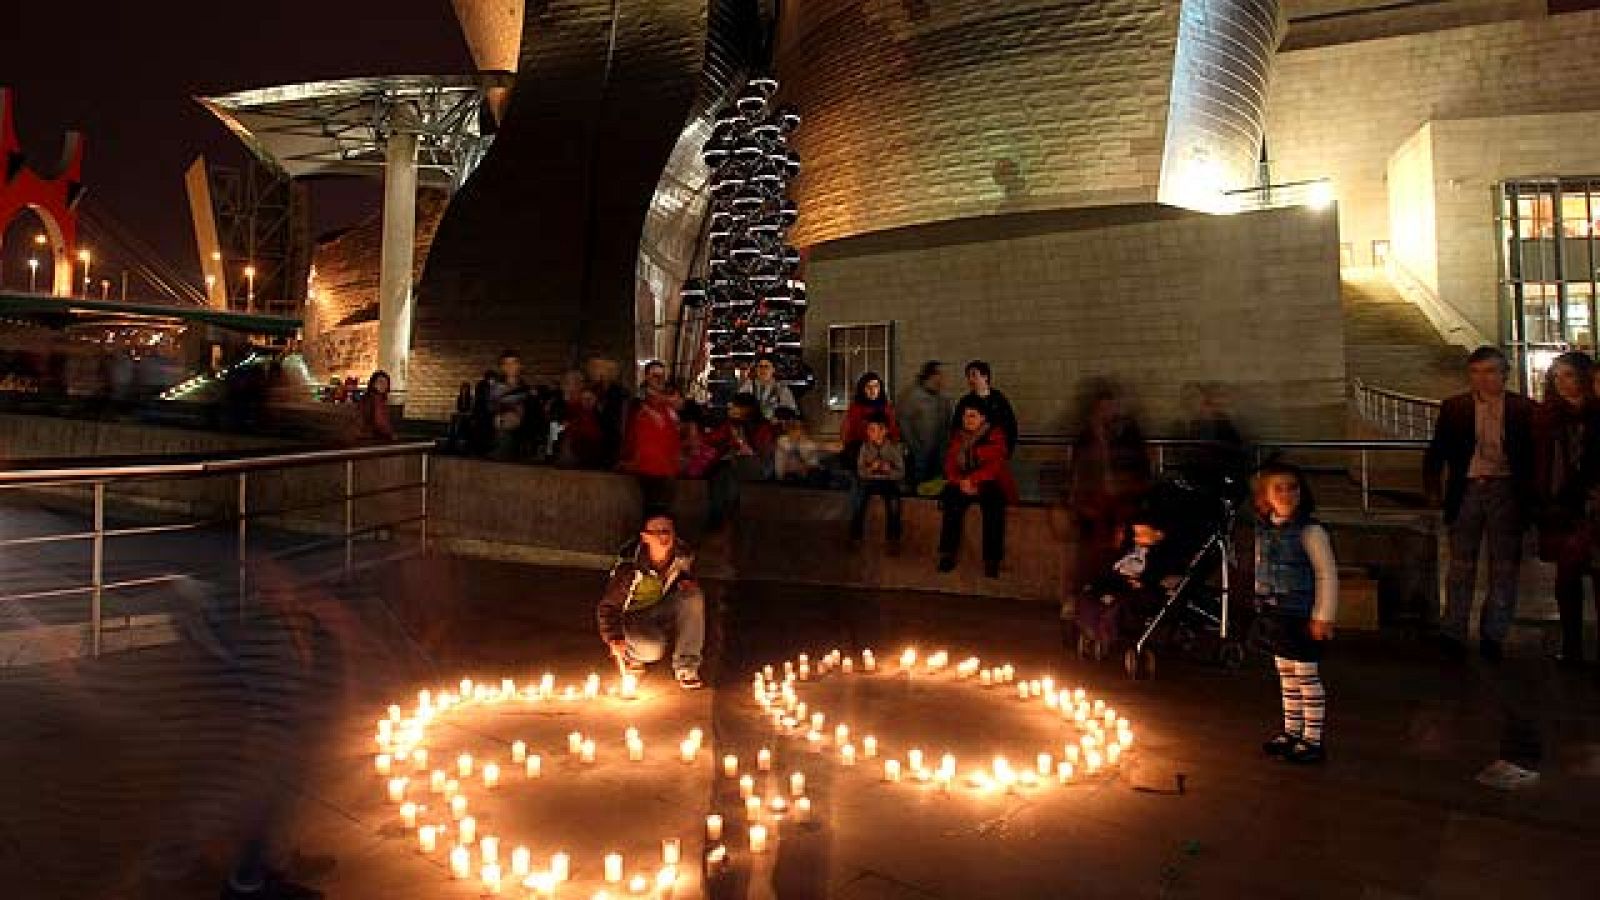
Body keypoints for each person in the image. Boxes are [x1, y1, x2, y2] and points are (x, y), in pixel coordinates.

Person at [1425, 346, 1536, 662]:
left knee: (1504, 566)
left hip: (1507, 490)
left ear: (1504, 374)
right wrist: (1433, 489)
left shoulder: (1523, 409)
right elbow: (1438, 451)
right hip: (1468, 489)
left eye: (1489, 372)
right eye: (1475, 372)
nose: (1482, 379)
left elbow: (1533, 456)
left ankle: (1493, 633)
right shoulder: (1455, 407)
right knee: (1460, 565)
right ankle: (1454, 630)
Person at [1254, 462, 1339, 765]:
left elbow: (1326, 573)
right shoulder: (1265, 530)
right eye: (1279, 488)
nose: (1288, 494)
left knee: (1307, 676)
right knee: (1287, 676)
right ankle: (1292, 731)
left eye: (1293, 487)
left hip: (1301, 616)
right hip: (1276, 615)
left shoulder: (1310, 531)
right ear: (1265, 495)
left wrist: (1323, 615)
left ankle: (1312, 739)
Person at [1533, 351, 1600, 667]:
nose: (1561, 383)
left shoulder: (1596, 415)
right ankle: (1572, 645)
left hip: (1593, 504)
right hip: (1562, 506)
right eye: (1556, 376)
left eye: (1568, 375)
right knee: (1566, 577)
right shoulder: (1547, 417)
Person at [597, 512, 706, 689]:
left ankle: (687, 667)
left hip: (658, 608)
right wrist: (613, 637)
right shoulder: (630, 565)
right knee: (652, 650)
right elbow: (608, 606)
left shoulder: (682, 555)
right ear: (645, 537)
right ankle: (632, 656)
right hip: (631, 617)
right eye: (657, 532)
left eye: (667, 531)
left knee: (693, 597)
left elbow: (684, 573)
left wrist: (686, 581)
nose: (663, 537)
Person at [1067, 380, 1151, 592]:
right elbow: (1079, 468)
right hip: (1095, 503)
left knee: (1117, 547)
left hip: (1119, 502)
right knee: (1090, 550)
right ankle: (1091, 589)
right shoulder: (1088, 436)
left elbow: (1138, 465)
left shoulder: (1126, 433)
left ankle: (1113, 589)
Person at [938, 397, 1018, 577]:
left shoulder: (995, 435)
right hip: (963, 483)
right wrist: (961, 482)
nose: (968, 420)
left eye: (972, 416)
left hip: (989, 482)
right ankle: (947, 554)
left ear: (983, 418)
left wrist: (974, 481)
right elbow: (950, 465)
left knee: (994, 506)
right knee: (951, 502)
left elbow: (995, 465)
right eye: (965, 417)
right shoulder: (958, 437)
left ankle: (992, 559)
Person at [621, 380, 682, 515]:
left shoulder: (661, 413)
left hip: (655, 467)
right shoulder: (653, 413)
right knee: (657, 508)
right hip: (657, 468)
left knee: (653, 508)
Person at [851, 412, 905, 546]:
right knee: (858, 500)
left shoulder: (894, 447)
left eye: (873, 430)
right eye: (869, 430)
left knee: (894, 503)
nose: (870, 433)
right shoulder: (865, 447)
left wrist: (889, 470)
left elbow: (901, 472)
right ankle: (855, 535)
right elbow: (860, 470)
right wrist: (870, 469)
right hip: (869, 481)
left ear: (884, 431)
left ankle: (893, 538)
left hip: (888, 481)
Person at [899, 360, 952, 487]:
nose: (944, 379)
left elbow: (946, 424)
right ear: (933, 376)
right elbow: (904, 423)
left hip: (939, 454)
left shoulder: (943, 399)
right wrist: (915, 447)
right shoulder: (912, 396)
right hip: (918, 454)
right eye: (941, 375)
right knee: (918, 486)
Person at [950, 360, 1019, 458]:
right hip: (968, 453)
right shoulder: (965, 401)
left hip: (992, 452)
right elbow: (956, 425)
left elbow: (1005, 426)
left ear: (985, 376)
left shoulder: (998, 400)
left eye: (974, 375)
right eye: (968, 376)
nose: (970, 380)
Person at [839, 371, 900, 473]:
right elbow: (846, 433)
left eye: (876, 386)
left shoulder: (886, 408)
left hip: (884, 452)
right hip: (860, 451)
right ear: (863, 389)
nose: (873, 390)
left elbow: (894, 431)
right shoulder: (855, 409)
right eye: (868, 387)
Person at [490, 351, 532, 461]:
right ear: (502, 367)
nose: (510, 367)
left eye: (513, 363)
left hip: (520, 426)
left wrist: (519, 414)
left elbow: (527, 409)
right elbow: (492, 406)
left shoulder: (525, 389)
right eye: (507, 364)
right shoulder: (497, 387)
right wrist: (499, 414)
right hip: (501, 424)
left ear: (519, 366)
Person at [736, 355, 797, 421]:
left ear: (773, 369)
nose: (763, 370)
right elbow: (738, 405)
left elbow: (790, 411)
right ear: (756, 369)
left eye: (766, 367)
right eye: (760, 367)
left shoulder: (781, 389)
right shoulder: (748, 385)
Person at [773, 408, 824, 484]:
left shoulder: (806, 441)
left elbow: (812, 461)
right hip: (790, 478)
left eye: (801, 427)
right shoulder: (783, 440)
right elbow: (793, 458)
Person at [352, 370, 395, 442]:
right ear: (373, 384)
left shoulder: (369, 398)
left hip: (363, 436)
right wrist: (390, 434)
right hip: (371, 438)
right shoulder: (376, 398)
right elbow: (379, 421)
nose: (383, 385)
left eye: (386, 383)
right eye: (380, 382)